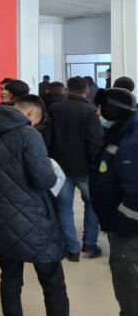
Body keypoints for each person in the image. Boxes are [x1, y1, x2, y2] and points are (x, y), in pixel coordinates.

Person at [0, 95, 71, 316]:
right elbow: (43, 180)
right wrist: (51, 170)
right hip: (35, 220)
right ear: (32, 114)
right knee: (53, 284)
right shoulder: (28, 134)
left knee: (10, 282)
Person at [91, 88, 138, 316]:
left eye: (101, 108)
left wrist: (121, 223)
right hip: (124, 224)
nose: (98, 113)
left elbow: (135, 193)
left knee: (129, 283)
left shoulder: (130, 141)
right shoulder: (123, 131)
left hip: (128, 230)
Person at [49, 76, 103, 262]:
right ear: (87, 92)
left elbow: (49, 138)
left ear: (67, 90)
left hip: (60, 168)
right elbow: (94, 143)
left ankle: (72, 249)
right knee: (93, 205)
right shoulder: (91, 111)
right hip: (86, 169)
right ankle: (89, 243)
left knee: (64, 209)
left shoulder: (54, 109)